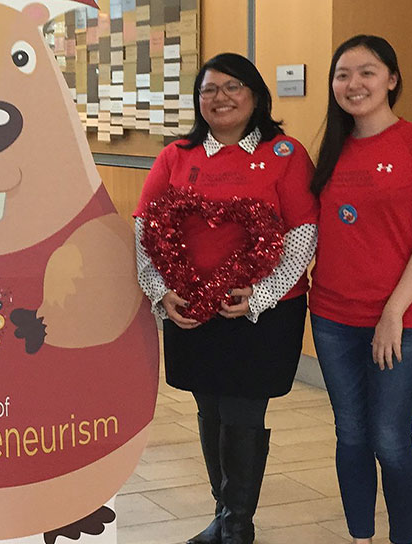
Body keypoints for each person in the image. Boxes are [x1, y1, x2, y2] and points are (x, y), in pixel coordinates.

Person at [134, 53, 318, 544]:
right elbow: (145, 226)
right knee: (209, 406)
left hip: (264, 311)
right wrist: (160, 289)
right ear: (198, 101)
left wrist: (260, 294)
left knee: (242, 411)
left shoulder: (286, 153)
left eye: (234, 86)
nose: (221, 97)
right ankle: (225, 516)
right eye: (210, 89)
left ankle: (237, 524)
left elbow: (303, 233)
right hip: (193, 309)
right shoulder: (177, 154)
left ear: (256, 95)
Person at [309, 35, 412, 544]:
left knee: (390, 439)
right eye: (342, 74)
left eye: (367, 72)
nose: (353, 83)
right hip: (332, 317)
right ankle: (360, 537)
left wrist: (393, 313)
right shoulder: (330, 148)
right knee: (351, 433)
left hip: (404, 321)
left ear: (391, 78)